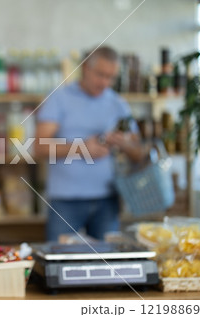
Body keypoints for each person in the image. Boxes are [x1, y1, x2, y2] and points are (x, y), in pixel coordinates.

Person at [35, 46, 143, 242]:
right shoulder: (59, 99)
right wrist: (82, 148)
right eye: (100, 75)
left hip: (107, 200)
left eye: (111, 77)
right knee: (60, 264)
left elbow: (138, 154)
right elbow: (39, 147)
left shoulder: (118, 104)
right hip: (65, 201)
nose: (105, 83)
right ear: (85, 68)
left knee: (106, 264)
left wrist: (124, 144)